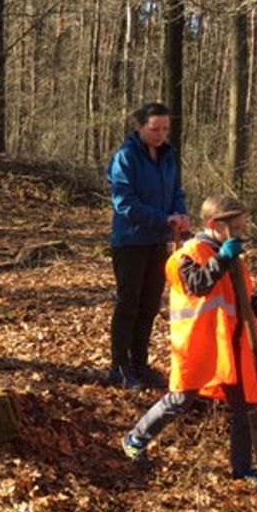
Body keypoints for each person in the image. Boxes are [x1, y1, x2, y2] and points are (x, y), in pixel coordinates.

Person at [121, 196, 257, 491]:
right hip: (198, 345)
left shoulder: (229, 254)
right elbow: (198, 285)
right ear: (213, 226)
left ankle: (243, 470)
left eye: (243, 227)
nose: (241, 233)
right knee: (180, 399)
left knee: (242, 406)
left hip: (230, 346)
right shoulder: (189, 254)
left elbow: (235, 300)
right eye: (235, 227)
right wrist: (222, 259)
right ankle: (135, 439)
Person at [106, 102, 188, 390]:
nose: (160, 135)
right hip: (130, 240)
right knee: (129, 303)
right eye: (154, 129)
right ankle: (119, 366)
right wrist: (164, 219)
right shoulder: (125, 158)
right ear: (139, 127)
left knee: (150, 304)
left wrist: (180, 214)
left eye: (165, 129)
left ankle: (140, 362)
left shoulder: (169, 156)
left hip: (159, 241)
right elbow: (124, 202)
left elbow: (177, 192)